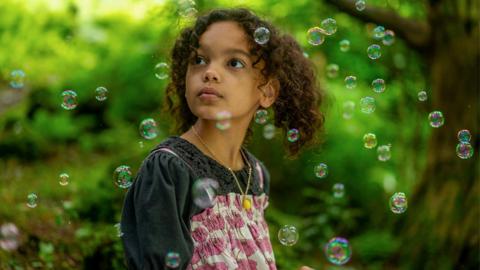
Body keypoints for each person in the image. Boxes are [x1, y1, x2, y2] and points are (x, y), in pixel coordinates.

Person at [121, 7, 324, 270]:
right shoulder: (170, 170)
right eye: (199, 60)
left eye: (234, 63)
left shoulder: (257, 176)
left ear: (267, 92)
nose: (210, 72)